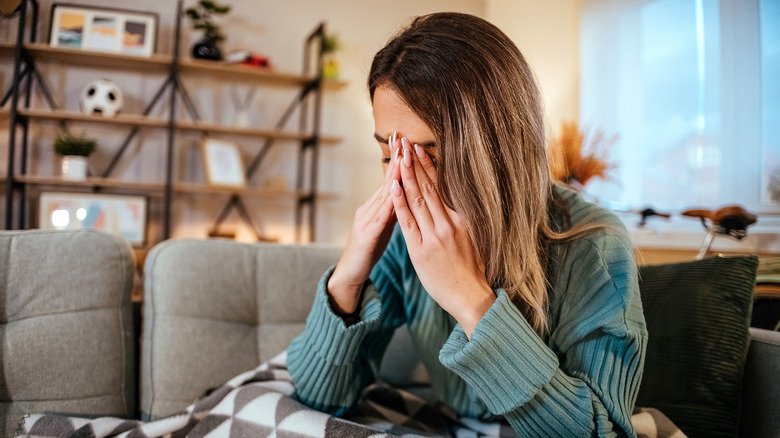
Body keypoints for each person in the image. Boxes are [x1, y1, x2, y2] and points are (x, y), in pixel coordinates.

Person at [288, 12, 647, 437]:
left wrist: (472, 302)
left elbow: (604, 433)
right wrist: (347, 277)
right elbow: (319, 400)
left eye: (431, 156)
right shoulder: (405, 240)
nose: (404, 179)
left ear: (497, 147)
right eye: (389, 154)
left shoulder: (595, 246)